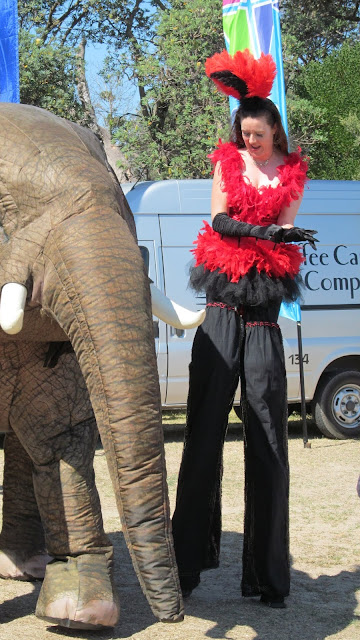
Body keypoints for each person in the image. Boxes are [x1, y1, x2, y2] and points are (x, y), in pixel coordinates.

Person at [171, 49, 318, 609]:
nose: (249, 141)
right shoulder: (228, 162)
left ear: (275, 130)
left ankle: (267, 577)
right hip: (223, 302)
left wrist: (282, 235)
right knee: (204, 431)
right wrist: (264, 234)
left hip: (263, 311)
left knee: (268, 434)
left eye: (257, 135)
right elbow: (218, 219)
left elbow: (286, 226)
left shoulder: (292, 174)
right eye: (244, 134)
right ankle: (185, 567)